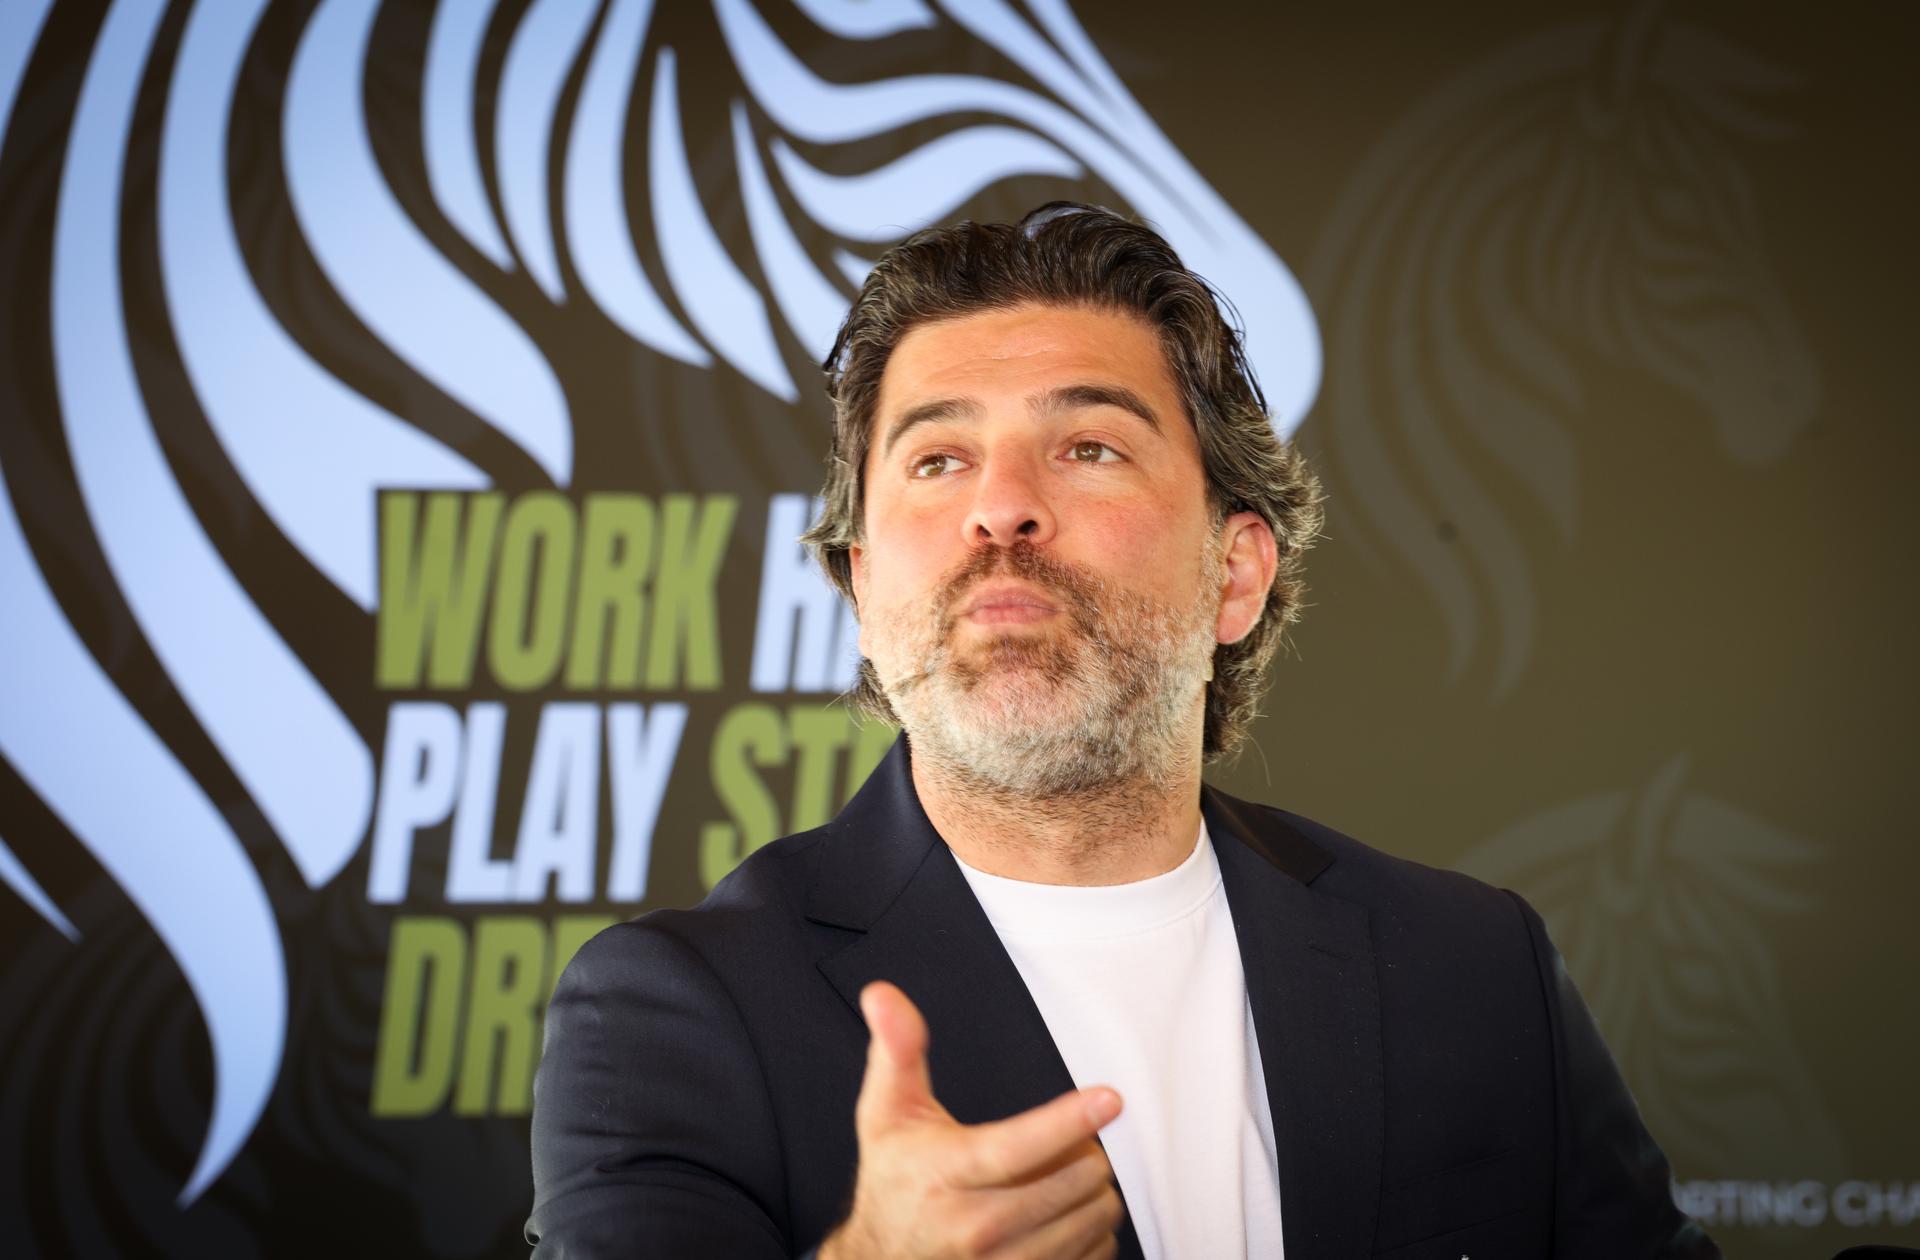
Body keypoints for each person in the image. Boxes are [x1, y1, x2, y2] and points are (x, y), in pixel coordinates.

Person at [526, 203, 1717, 1259]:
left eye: (1088, 447)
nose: (1001, 507)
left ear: (1234, 575)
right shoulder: (674, 1014)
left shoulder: (1474, 969)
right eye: (937, 459)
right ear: (862, 590)